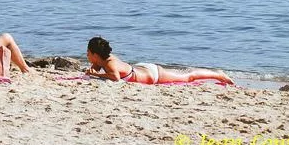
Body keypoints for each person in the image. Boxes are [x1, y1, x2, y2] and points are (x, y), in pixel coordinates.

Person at [85, 36, 234, 85]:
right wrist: (93, 70)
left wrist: (96, 75)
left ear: (95, 54)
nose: (86, 55)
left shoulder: (110, 64)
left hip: (154, 74)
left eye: (88, 53)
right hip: (141, 69)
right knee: (186, 74)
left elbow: (115, 78)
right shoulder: (103, 60)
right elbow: (97, 67)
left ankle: (218, 74)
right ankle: (217, 74)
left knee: (189, 76)